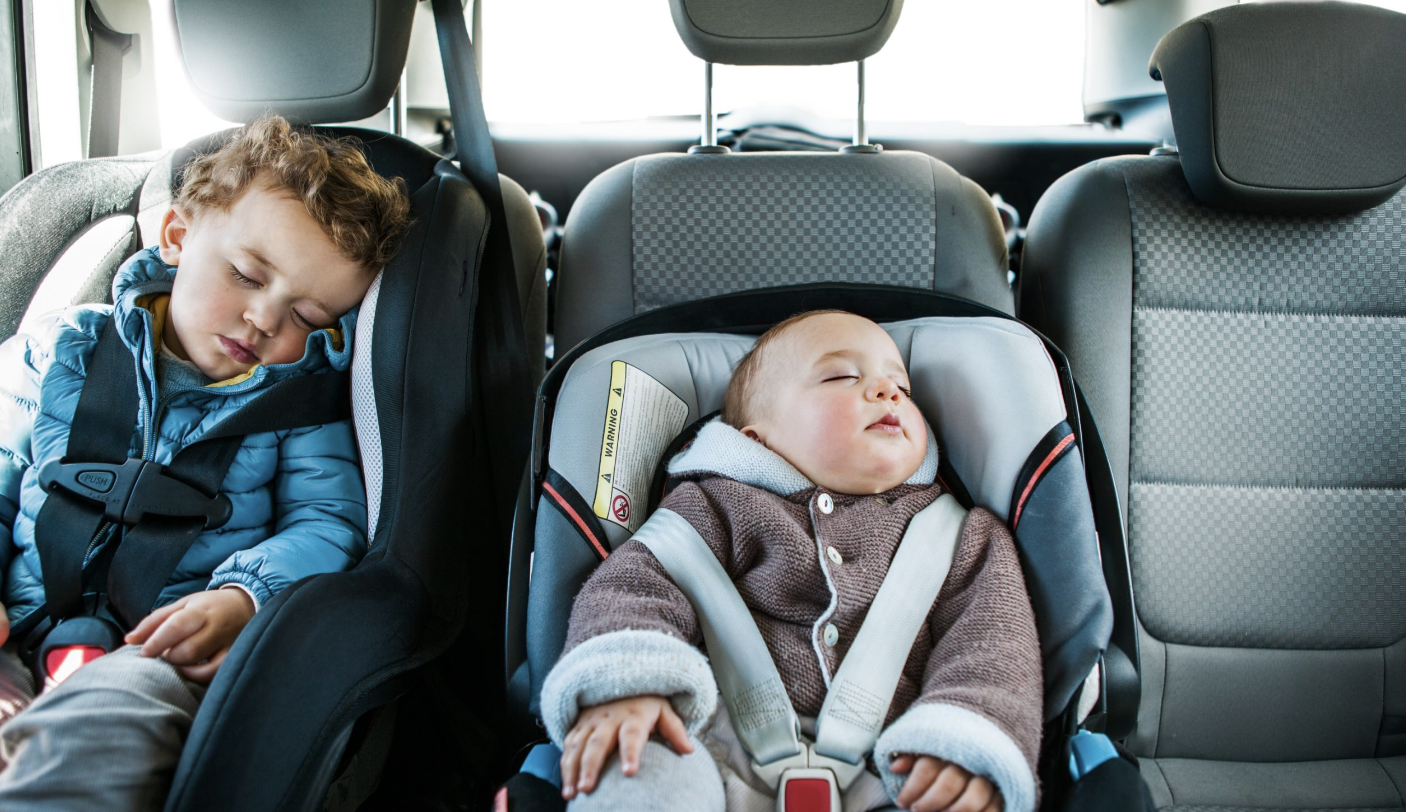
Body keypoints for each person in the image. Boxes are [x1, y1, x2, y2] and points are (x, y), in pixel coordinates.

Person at [0, 115, 409, 809]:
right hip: (19, 618)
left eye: (309, 318)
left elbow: (329, 523)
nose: (265, 320)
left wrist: (244, 595)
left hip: (156, 652)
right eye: (247, 275)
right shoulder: (57, 350)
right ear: (179, 239)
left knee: (104, 732)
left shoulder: (300, 411)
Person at [541, 310, 1043, 812]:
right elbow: (635, 587)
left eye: (903, 388)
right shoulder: (712, 507)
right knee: (634, 761)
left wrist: (966, 735)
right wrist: (630, 684)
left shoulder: (960, 535)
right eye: (842, 376)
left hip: (898, 766)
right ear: (755, 440)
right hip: (714, 750)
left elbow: (994, 641)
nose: (888, 392)